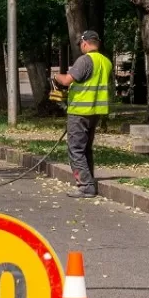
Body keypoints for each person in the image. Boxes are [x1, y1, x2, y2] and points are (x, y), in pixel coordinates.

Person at [53, 31, 112, 199]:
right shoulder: (106, 62)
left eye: (80, 44)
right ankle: (89, 180)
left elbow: (66, 81)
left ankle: (85, 186)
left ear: (85, 43)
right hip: (95, 112)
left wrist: (55, 76)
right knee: (86, 149)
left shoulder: (84, 60)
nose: (80, 47)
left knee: (76, 150)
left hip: (79, 112)